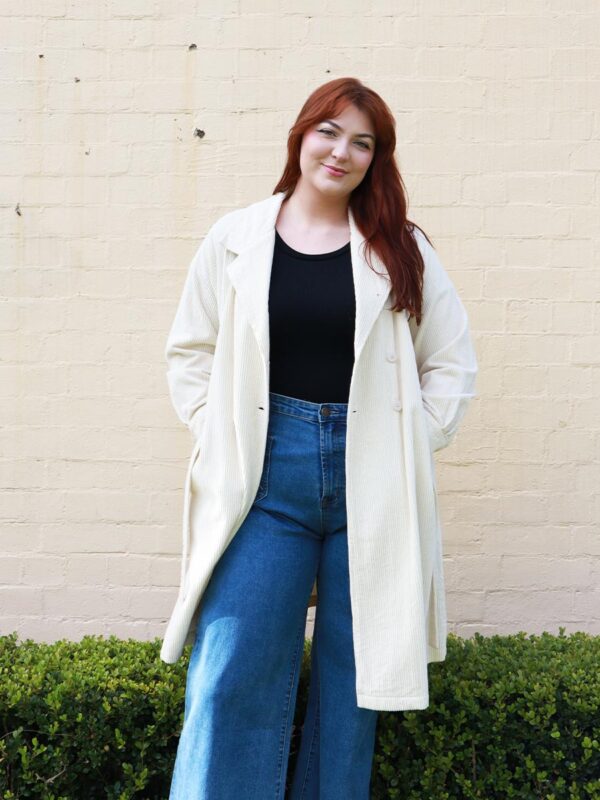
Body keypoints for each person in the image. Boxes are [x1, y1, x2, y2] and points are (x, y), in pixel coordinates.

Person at [162, 76, 478, 799]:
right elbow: (190, 352)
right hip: (266, 478)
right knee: (232, 664)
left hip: (373, 482)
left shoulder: (401, 249)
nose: (342, 152)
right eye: (329, 132)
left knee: (353, 679)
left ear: (377, 158)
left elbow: (451, 363)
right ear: (301, 136)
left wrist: (407, 449)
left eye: (362, 142)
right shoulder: (236, 238)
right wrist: (219, 435)